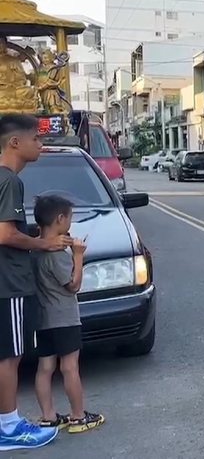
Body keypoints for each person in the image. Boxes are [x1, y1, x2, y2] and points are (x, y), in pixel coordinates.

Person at [0, 114, 71, 450]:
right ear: (15, 142)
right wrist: (45, 243)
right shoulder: (9, 181)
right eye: (36, 139)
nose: (40, 145)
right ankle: (8, 427)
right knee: (10, 357)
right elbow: (5, 235)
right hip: (9, 284)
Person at [32, 195, 104, 433]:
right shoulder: (57, 254)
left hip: (43, 318)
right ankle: (78, 416)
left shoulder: (34, 249)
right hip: (64, 317)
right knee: (69, 367)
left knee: (45, 368)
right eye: (70, 218)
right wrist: (78, 256)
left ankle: (48, 416)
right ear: (60, 219)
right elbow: (73, 285)